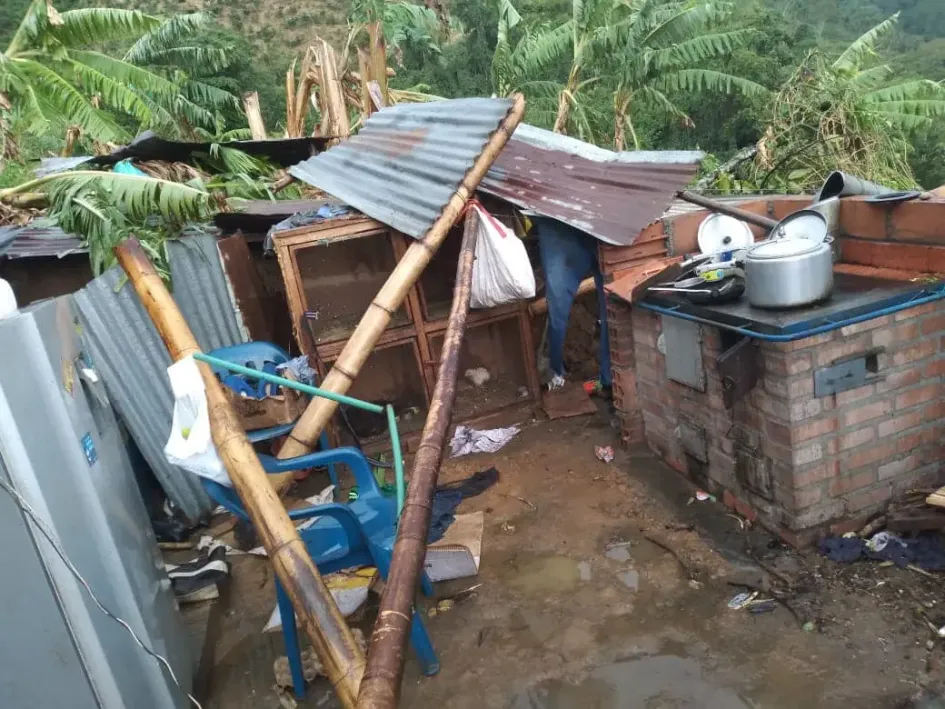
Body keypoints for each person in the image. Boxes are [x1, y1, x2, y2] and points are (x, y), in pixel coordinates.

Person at [533, 216, 612, 394]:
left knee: (611, 305)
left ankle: (606, 379)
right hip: (565, 222)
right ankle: (558, 374)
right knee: (560, 307)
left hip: (589, 222)